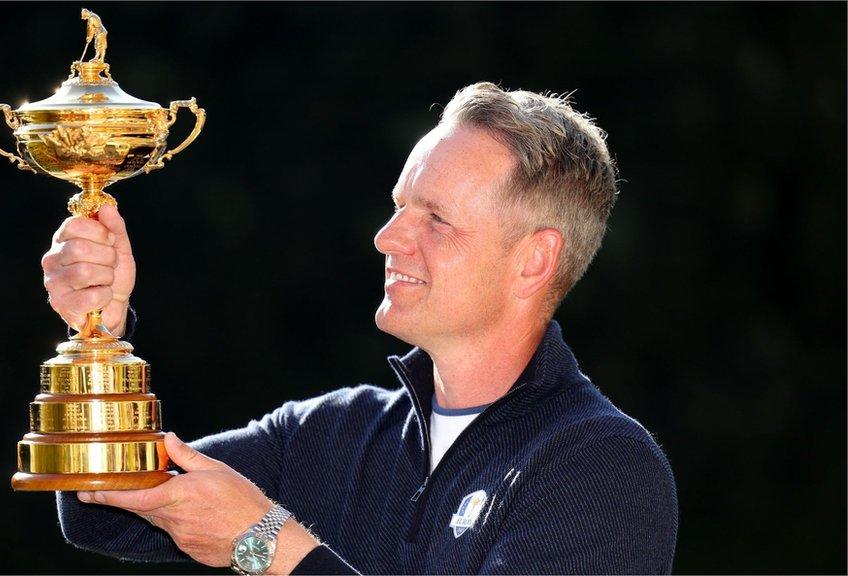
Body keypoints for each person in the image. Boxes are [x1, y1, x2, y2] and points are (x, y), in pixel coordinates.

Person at [42, 82, 679, 574]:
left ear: (533, 260)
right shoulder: (331, 433)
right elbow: (106, 507)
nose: (387, 236)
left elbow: (259, 539)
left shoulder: (600, 465)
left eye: (436, 218)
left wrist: (271, 546)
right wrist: (98, 332)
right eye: (400, 205)